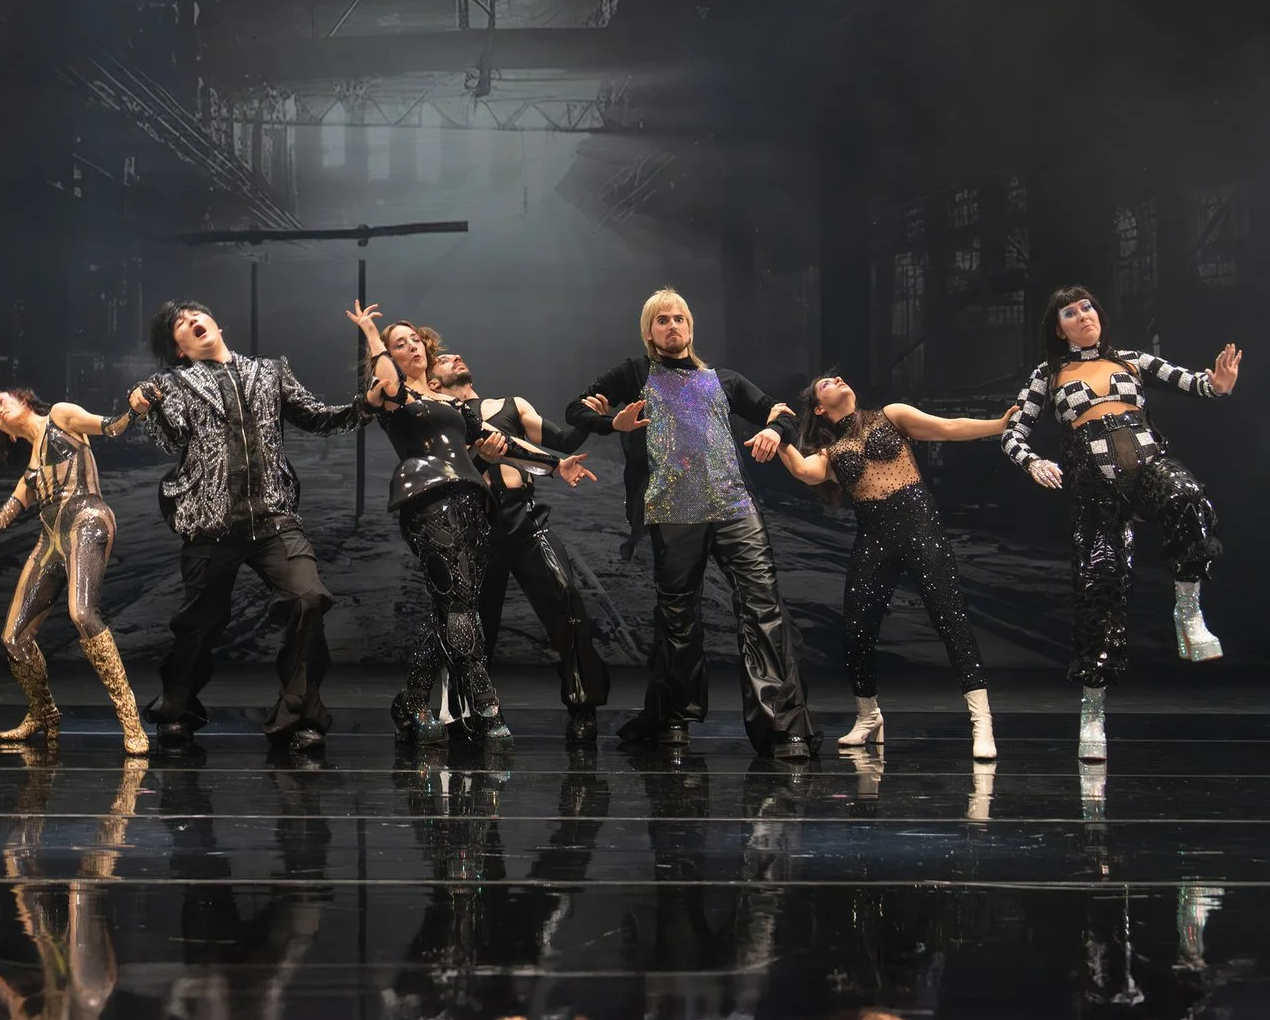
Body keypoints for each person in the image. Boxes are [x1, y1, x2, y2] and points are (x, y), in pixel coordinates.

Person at [564, 287, 816, 757]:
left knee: (763, 609)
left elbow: (783, 413)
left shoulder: (724, 380)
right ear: (649, 331)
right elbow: (576, 408)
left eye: (678, 317)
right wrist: (611, 424)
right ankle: (674, 718)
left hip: (733, 506)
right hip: (672, 510)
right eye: (662, 320)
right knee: (679, 618)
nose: (672, 325)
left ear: (690, 327)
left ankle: (783, 727)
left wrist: (771, 429)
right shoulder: (634, 374)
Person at [1001, 284, 1242, 761]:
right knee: (1100, 587)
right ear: (1059, 328)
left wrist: (1218, 385)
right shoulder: (1049, 374)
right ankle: (1093, 710)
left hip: (1147, 462)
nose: (1082, 315)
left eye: (1086, 307)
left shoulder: (1132, 360)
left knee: (1187, 497)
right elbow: (1012, 433)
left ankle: (1188, 611)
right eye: (1070, 313)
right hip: (1095, 486)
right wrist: (1032, 462)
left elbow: (1194, 383)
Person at [127, 299, 366, 752]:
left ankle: (300, 716)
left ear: (217, 322)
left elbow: (317, 416)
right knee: (198, 623)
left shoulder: (270, 372)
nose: (192, 322)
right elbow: (172, 439)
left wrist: (366, 405)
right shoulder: (173, 384)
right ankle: (176, 712)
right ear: (178, 348)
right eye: (180, 324)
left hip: (273, 518)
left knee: (308, 598)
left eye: (196, 315)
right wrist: (146, 405)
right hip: (210, 522)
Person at [347, 306, 589, 743]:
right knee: (460, 607)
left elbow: (500, 442)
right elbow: (386, 380)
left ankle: (412, 700)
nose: (411, 347)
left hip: (473, 506)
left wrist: (556, 465)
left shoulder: (452, 404)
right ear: (390, 355)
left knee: (451, 607)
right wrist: (372, 334)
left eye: (414, 340)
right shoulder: (393, 395)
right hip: (429, 503)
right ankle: (485, 707)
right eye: (399, 344)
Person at [777, 372, 1014, 760]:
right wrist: (778, 435)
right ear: (819, 409)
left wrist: (998, 426)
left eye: (837, 377)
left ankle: (981, 720)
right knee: (857, 629)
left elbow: (947, 428)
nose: (837, 379)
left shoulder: (890, 415)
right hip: (874, 536)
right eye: (826, 384)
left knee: (951, 620)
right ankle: (868, 716)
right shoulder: (830, 452)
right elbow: (804, 471)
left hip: (920, 527)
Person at [0, 388, 150, 755]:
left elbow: (111, 426)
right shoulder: (29, 473)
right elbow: (0, 521)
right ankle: (43, 713)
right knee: (13, 638)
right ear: (7, 435)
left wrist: (134, 410)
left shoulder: (60, 416)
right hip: (51, 539)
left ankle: (130, 718)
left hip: (86, 518)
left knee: (82, 613)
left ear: (23, 400)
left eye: (1, 401)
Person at [430, 348, 613, 733]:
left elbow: (564, 440)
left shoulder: (510, 406)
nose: (456, 357)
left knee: (567, 604)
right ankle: (470, 715)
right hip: (474, 530)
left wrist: (592, 417)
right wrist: (483, 458)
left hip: (526, 521)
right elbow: (448, 476)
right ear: (431, 381)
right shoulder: (437, 421)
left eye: (456, 355)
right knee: (474, 627)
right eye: (444, 359)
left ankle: (583, 705)